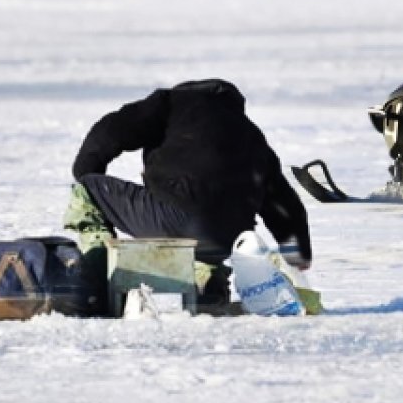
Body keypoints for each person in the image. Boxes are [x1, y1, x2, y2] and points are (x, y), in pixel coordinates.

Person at [62, 78, 312, 304]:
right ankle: (208, 285)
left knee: (87, 188)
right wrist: (298, 254)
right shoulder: (252, 135)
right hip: (230, 239)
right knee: (209, 224)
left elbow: (110, 131)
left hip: (175, 217)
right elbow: (284, 204)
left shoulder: (170, 104)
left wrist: (87, 170)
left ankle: (95, 282)